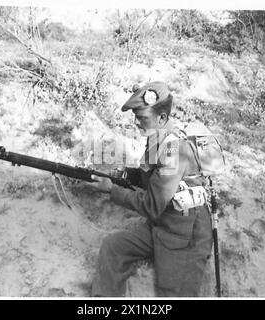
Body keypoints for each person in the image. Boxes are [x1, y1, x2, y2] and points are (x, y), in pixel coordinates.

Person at [89, 81, 213, 297]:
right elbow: (149, 178)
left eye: (142, 117)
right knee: (113, 247)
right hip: (161, 225)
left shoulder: (174, 151)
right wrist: (122, 175)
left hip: (184, 235)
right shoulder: (156, 140)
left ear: (162, 118)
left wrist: (112, 191)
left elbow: (152, 205)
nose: (137, 122)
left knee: (172, 292)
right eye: (136, 117)